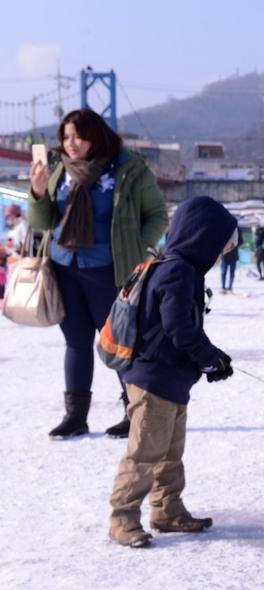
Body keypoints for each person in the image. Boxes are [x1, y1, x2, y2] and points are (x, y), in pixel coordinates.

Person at [27, 108, 169, 440]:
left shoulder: (128, 169)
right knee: (76, 342)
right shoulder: (59, 170)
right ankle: (75, 416)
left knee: (120, 343)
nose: (70, 143)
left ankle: (134, 414)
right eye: (65, 137)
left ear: (96, 135)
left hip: (110, 269)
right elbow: (42, 222)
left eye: (77, 136)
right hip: (65, 268)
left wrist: (136, 247)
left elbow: (157, 216)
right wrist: (36, 192)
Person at [109, 195, 237, 548]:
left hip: (170, 380)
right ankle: (123, 518)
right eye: (221, 242)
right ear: (202, 237)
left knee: (169, 452)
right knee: (146, 452)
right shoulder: (177, 270)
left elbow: (183, 329)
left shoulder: (181, 268)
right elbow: (180, 329)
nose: (224, 250)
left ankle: (167, 509)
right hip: (153, 381)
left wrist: (212, 358)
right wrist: (209, 358)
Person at [220, 229, 241, 294]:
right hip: (225, 255)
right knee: (223, 272)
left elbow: (241, 241)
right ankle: (223, 287)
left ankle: (230, 287)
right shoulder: (224, 228)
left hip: (233, 256)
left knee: (231, 273)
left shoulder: (237, 230)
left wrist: (234, 243)